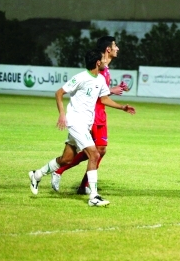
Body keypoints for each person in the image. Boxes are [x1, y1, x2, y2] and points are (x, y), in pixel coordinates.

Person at [28, 49, 136, 207]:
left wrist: (122, 107)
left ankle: (37, 174)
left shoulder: (99, 79)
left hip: (85, 124)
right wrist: (62, 114)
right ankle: (93, 196)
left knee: (66, 159)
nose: (105, 62)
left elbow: (104, 98)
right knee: (94, 154)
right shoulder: (81, 77)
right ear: (97, 62)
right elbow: (59, 93)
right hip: (75, 122)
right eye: (102, 60)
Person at [50, 36, 127, 195]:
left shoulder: (106, 68)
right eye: (115, 46)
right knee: (94, 151)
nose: (117, 48)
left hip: (101, 114)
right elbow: (93, 89)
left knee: (100, 150)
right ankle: (68, 175)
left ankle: (82, 184)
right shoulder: (100, 66)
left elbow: (100, 90)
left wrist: (112, 91)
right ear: (108, 49)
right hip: (92, 114)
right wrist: (112, 91)